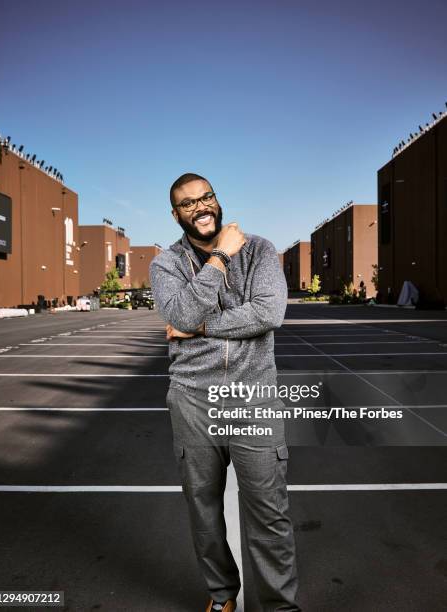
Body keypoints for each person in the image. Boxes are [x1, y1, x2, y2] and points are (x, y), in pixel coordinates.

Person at [149, 173, 301, 612]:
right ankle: (221, 596)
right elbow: (178, 308)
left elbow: (268, 312)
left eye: (206, 197)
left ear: (217, 200)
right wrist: (218, 259)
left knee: (269, 512)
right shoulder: (166, 265)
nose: (201, 207)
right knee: (204, 510)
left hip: (254, 398)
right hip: (194, 399)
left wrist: (197, 327)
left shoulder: (260, 250)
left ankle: (280, 607)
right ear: (176, 214)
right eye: (188, 203)